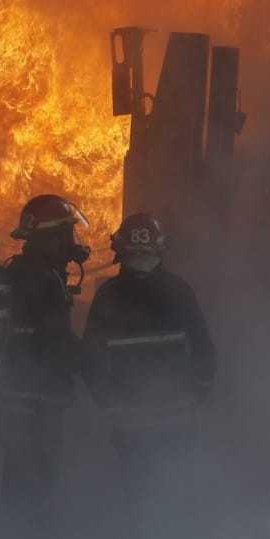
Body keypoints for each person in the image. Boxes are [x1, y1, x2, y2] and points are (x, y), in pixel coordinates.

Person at [80, 212, 216, 513]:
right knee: (176, 500)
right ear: (160, 248)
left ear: (119, 250)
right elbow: (204, 349)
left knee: (139, 498)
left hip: (131, 423)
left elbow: (90, 359)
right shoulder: (179, 290)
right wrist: (198, 393)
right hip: (177, 420)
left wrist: (107, 400)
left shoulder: (108, 295)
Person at [0, 193, 90, 527]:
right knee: (36, 482)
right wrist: (95, 362)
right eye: (66, 234)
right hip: (40, 402)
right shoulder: (44, 279)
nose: (71, 242)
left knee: (16, 476)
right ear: (53, 236)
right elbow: (56, 338)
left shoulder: (20, 271)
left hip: (16, 395)